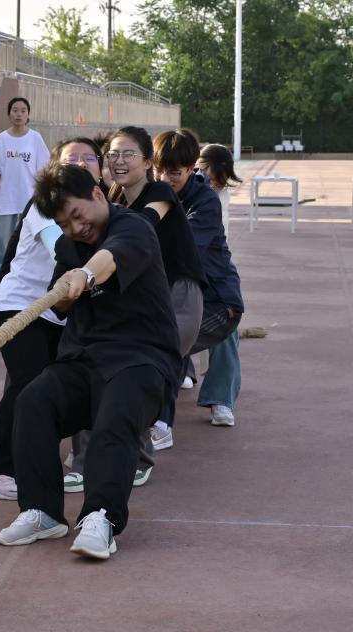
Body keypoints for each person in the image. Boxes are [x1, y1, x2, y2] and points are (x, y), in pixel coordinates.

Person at [0, 163, 181, 560]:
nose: (76, 228)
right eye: (64, 224)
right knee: (33, 401)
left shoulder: (133, 227)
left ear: (97, 194)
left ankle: (102, 516)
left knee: (116, 415)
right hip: (84, 358)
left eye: (78, 216)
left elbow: (109, 259)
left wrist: (85, 275)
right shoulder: (69, 246)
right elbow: (61, 302)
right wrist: (65, 290)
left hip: (141, 359)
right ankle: (43, 511)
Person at [0, 137, 100, 501]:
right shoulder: (45, 204)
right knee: (27, 385)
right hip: (19, 308)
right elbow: (60, 248)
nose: (80, 163)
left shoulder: (101, 208)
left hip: (57, 315)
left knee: (55, 388)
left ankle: (35, 457)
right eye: (71, 158)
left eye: (89, 157)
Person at [105, 126, 208, 456]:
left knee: (146, 368)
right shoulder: (117, 199)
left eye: (128, 154)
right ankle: (142, 440)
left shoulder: (159, 192)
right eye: (113, 154)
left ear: (148, 162)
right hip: (150, 300)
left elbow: (144, 224)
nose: (119, 161)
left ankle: (146, 446)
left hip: (179, 297)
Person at [154, 132, 243, 427]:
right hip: (177, 290)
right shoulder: (152, 191)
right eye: (159, 170)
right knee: (163, 337)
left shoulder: (206, 200)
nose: (165, 178)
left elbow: (180, 249)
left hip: (215, 295)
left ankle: (218, 400)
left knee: (170, 341)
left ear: (191, 168)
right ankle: (176, 385)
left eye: (174, 173)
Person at [191, 142, 245, 426]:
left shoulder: (220, 195)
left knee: (225, 326)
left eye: (220, 181)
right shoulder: (182, 190)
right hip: (182, 272)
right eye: (209, 177)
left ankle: (221, 400)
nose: (213, 184)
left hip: (214, 271)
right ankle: (182, 372)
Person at [0, 97, 50, 291]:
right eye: (15, 110)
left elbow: (44, 170)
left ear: (28, 115)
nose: (19, 114)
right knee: (2, 241)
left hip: (30, 200)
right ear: (9, 113)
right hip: (6, 200)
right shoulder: (1, 139)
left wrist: (42, 197)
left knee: (29, 242)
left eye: (23, 110)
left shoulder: (35, 138)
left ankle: (24, 278)